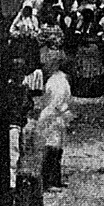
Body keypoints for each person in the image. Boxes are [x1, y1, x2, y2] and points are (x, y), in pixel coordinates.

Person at [37, 52, 73, 191]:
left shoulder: (57, 81)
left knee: (55, 149)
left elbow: (56, 101)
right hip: (53, 116)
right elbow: (55, 102)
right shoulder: (57, 80)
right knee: (51, 149)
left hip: (54, 116)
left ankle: (54, 179)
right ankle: (48, 181)